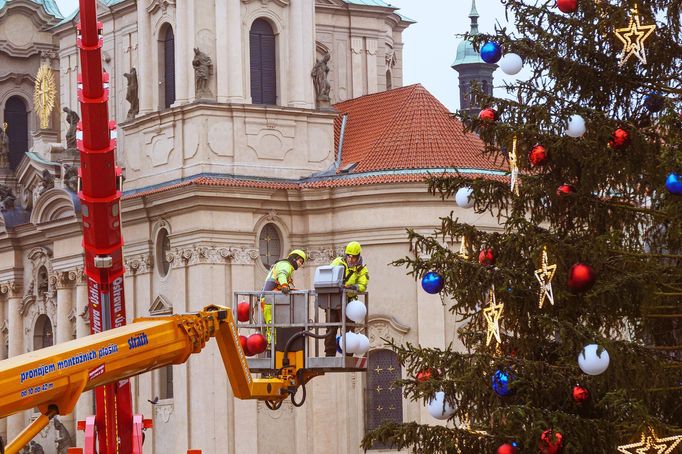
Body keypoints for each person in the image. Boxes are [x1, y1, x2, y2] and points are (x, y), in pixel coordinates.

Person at [324, 241, 369, 357]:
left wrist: (354, 287)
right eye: (349, 256)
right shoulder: (338, 262)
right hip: (334, 299)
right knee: (331, 326)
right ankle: (329, 353)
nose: (351, 259)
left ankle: (348, 352)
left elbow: (363, 285)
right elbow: (328, 276)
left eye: (353, 257)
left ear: (358, 256)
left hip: (349, 302)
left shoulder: (361, 269)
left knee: (348, 328)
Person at [261, 249, 306, 343]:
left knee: (274, 327)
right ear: (294, 258)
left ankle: (274, 346)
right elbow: (282, 274)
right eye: (300, 261)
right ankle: (272, 348)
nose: (300, 264)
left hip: (271, 301)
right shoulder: (285, 265)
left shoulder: (285, 265)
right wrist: (284, 285)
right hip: (269, 301)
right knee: (272, 328)